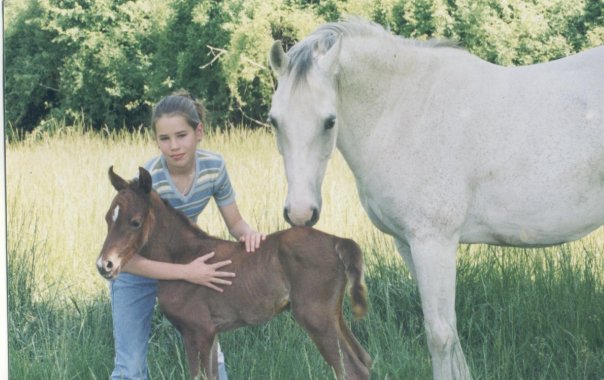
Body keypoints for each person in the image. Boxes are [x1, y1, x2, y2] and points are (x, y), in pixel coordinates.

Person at [110, 90, 266, 379]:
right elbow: (126, 260)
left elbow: (236, 223)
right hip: (140, 270)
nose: (174, 146)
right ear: (155, 140)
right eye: (164, 139)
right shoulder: (148, 182)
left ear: (199, 132)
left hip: (187, 266)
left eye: (181, 135)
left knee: (211, 357)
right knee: (130, 368)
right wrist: (186, 272)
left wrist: (250, 234)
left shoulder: (213, 167)